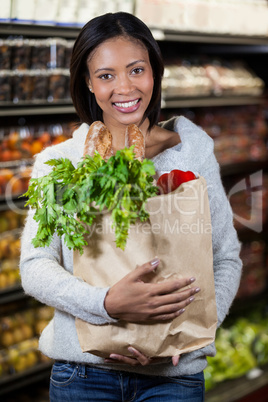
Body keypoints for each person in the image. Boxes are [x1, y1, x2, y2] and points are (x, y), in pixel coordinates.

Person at [20, 12, 242, 402]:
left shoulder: (190, 151)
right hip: (84, 374)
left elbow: (226, 257)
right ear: (88, 83)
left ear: (154, 73)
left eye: (136, 70)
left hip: (174, 377)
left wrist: (189, 331)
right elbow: (35, 265)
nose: (124, 88)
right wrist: (105, 304)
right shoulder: (62, 162)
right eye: (106, 75)